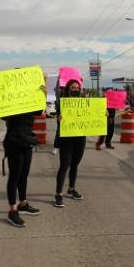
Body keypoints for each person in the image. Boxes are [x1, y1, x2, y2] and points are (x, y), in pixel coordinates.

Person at [2, 85, 46, 227]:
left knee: (24, 174)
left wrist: (42, 96)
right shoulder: (8, 99)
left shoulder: (29, 99)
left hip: (27, 140)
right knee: (15, 176)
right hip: (14, 140)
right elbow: (2, 115)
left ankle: (23, 203)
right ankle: (12, 211)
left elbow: (39, 112)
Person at [53, 79, 86, 208]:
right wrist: (59, 119)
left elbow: (91, 115)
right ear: (68, 89)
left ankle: (71, 189)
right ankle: (58, 194)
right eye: (73, 87)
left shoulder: (84, 102)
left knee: (75, 164)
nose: (75, 89)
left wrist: (102, 114)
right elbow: (59, 119)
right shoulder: (62, 102)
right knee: (64, 166)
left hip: (80, 138)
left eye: (77, 87)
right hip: (66, 138)